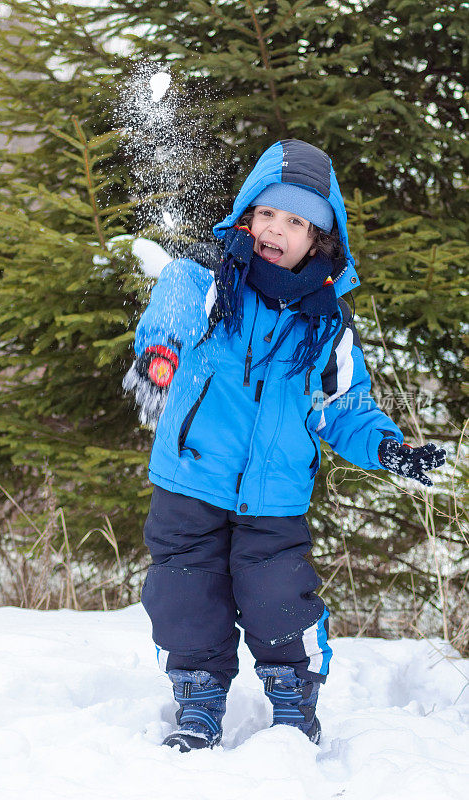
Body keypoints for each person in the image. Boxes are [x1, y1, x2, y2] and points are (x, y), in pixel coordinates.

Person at [123, 139, 446, 753]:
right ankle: (197, 703)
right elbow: (168, 319)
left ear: (319, 239)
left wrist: (389, 449)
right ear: (248, 214)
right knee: (184, 596)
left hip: (274, 498)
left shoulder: (327, 325)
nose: (277, 229)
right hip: (189, 482)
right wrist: (160, 356)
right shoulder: (206, 279)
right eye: (268, 213)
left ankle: (294, 707)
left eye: (297, 221)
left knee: (281, 600)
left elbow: (343, 408)